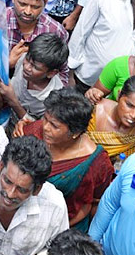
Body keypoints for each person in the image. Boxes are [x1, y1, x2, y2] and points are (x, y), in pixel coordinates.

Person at [19, 87, 114, 230]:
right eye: (45, 119)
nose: (45, 127)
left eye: (54, 126)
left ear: (75, 132)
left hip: (62, 223)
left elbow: (90, 203)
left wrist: (58, 227)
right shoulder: (34, 132)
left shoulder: (97, 163)